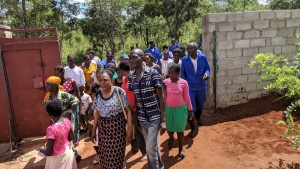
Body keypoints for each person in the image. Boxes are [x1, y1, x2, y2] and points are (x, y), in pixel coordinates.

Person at [128, 48, 165, 169]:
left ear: (142, 58)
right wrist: (138, 119)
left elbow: (161, 97)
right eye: (130, 58)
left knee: (149, 147)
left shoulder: (153, 73)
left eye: (134, 57)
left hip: (154, 116)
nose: (131, 60)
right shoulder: (132, 77)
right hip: (142, 117)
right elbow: (138, 99)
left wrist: (163, 120)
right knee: (152, 147)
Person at [91, 69, 133, 169]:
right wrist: (94, 130)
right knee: (105, 156)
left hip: (117, 129)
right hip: (103, 131)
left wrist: (129, 131)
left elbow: (128, 111)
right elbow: (97, 112)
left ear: (111, 80)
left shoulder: (119, 92)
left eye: (105, 80)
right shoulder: (98, 94)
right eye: (100, 80)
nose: (102, 83)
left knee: (116, 157)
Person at [43, 76, 81, 162]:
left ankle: (72, 155)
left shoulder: (64, 95)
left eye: (49, 85)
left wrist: (70, 111)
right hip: (56, 121)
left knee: (68, 137)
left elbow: (76, 101)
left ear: (56, 85)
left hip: (66, 119)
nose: (47, 87)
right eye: (47, 85)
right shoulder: (47, 98)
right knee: (61, 138)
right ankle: (73, 154)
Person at [119, 61, 147, 162]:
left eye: (119, 70)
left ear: (122, 70)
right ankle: (135, 147)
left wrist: (132, 106)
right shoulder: (125, 79)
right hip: (129, 109)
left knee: (139, 130)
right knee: (131, 128)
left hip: (135, 109)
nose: (118, 72)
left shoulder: (132, 78)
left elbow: (137, 93)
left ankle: (145, 153)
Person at [181, 42, 210, 138]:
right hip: (190, 87)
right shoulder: (184, 60)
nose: (188, 50)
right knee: (191, 108)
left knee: (200, 105)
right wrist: (183, 87)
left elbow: (207, 68)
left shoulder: (203, 57)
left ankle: (198, 116)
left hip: (201, 85)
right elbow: (183, 74)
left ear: (196, 49)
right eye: (187, 49)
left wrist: (207, 74)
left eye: (190, 49)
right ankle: (193, 128)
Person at [164, 64, 193, 159]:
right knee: (170, 129)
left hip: (181, 109)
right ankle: (171, 139)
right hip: (169, 109)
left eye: (172, 73)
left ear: (178, 73)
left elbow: (187, 97)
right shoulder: (166, 82)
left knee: (180, 131)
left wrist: (190, 110)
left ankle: (181, 149)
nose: (170, 75)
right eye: (169, 73)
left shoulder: (184, 83)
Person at [40, 99, 77, 169]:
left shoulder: (51, 129)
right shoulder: (67, 121)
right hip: (67, 153)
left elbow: (48, 152)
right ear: (61, 111)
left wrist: (41, 150)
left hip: (57, 159)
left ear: (49, 114)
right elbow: (71, 137)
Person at [54, 66, 81, 145]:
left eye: (58, 74)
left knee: (73, 125)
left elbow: (78, 96)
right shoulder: (55, 84)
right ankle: (68, 141)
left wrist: (80, 108)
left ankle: (75, 141)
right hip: (62, 109)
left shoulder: (71, 81)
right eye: (55, 74)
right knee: (64, 126)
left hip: (73, 107)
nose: (56, 76)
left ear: (63, 73)